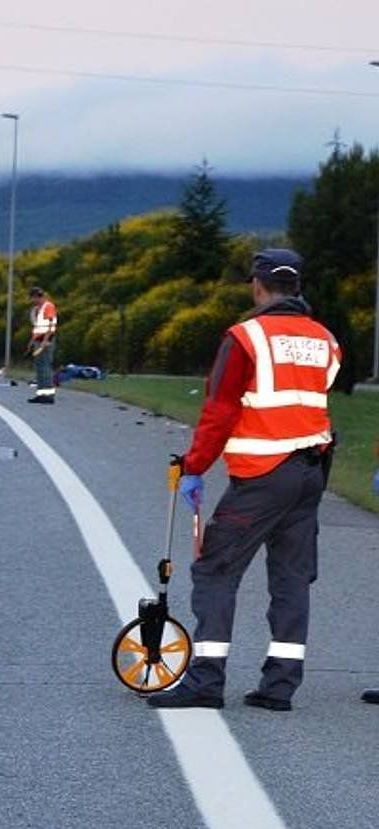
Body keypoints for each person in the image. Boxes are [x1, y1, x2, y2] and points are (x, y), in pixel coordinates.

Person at [148, 249, 340, 712]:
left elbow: (219, 411)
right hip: (311, 471)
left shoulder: (245, 337)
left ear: (257, 285)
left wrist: (194, 466)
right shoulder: (326, 339)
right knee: (291, 578)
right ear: (297, 287)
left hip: (262, 476)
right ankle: (279, 686)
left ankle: (205, 680)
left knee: (216, 569)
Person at [27, 286, 58, 404]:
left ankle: (48, 396)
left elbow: (50, 325)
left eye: (33, 298)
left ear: (36, 296)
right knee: (40, 368)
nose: (32, 301)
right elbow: (38, 328)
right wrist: (32, 342)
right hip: (39, 340)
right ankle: (41, 394)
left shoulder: (48, 306)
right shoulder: (39, 309)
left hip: (46, 341)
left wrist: (44, 342)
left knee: (45, 368)